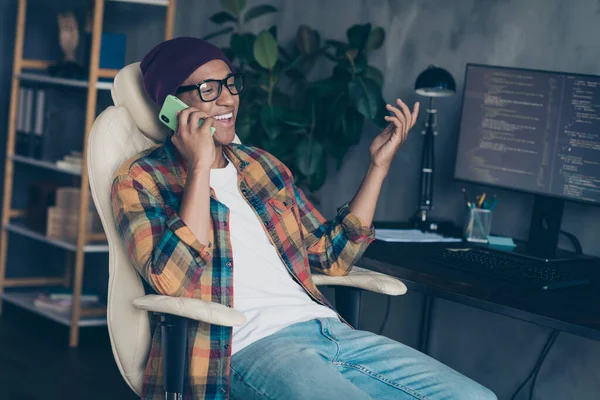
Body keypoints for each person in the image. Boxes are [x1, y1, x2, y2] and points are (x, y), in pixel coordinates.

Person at [111, 37, 496, 400]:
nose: (228, 98)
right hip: (245, 348)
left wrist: (378, 167)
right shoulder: (140, 179)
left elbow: (330, 258)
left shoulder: (264, 167)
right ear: (171, 105)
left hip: (329, 331)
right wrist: (198, 166)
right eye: (208, 89)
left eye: (230, 83)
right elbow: (172, 281)